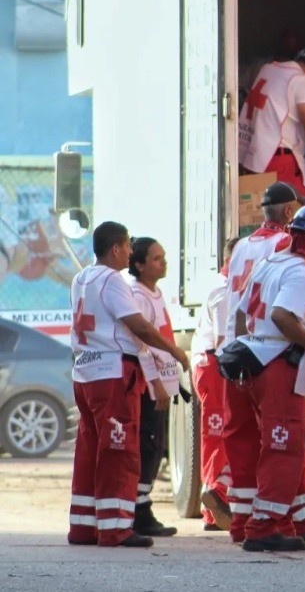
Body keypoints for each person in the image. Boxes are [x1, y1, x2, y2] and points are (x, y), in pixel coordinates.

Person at [227, 204, 305, 552]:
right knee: (282, 447)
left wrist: (246, 350)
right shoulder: (301, 272)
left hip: (256, 360)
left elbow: (245, 313)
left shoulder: (272, 262)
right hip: (280, 365)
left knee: (291, 444)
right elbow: (283, 315)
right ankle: (263, 526)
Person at [68, 221, 188, 548]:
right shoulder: (112, 280)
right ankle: (116, 527)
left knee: (90, 450)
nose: (131, 252)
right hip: (112, 373)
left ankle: (84, 526)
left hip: (85, 371)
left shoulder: (81, 278)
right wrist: (176, 351)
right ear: (116, 249)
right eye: (127, 246)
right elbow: (139, 326)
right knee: (119, 450)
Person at [221, 182, 305, 539]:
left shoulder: (242, 245)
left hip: (236, 348)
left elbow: (239, 303)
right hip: (271, 353)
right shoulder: (286, 246)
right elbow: (285, 308)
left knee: (243, 438)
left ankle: (243, 519)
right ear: (290, 212)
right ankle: (285, 519)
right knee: (282, 437)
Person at [128, 237, 182, 539]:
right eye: (157, 258)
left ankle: (142, 506)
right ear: (139, 265)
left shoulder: (155, 293)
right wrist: (157, 384)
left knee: (156, 445)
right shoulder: (138, 296)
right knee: (147, 445)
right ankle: (139, 511)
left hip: (161, 383)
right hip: (150, 387)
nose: (164, 263)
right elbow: (142, 345)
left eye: (163, 257)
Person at [238, 43, 305, 195]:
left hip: (252, 157)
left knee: (259, 209)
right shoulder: (303, 81)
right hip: (279, 162)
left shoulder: (268, 69)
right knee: (298, 208)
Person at [190, 237, 238, 531]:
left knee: (218, 435)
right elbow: (223, 342)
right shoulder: (224, 292)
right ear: (230, 260)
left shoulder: (226, 287)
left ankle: (216, 504)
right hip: (215, 365)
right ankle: (216, 497)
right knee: (218, 436)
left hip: (212, 365)